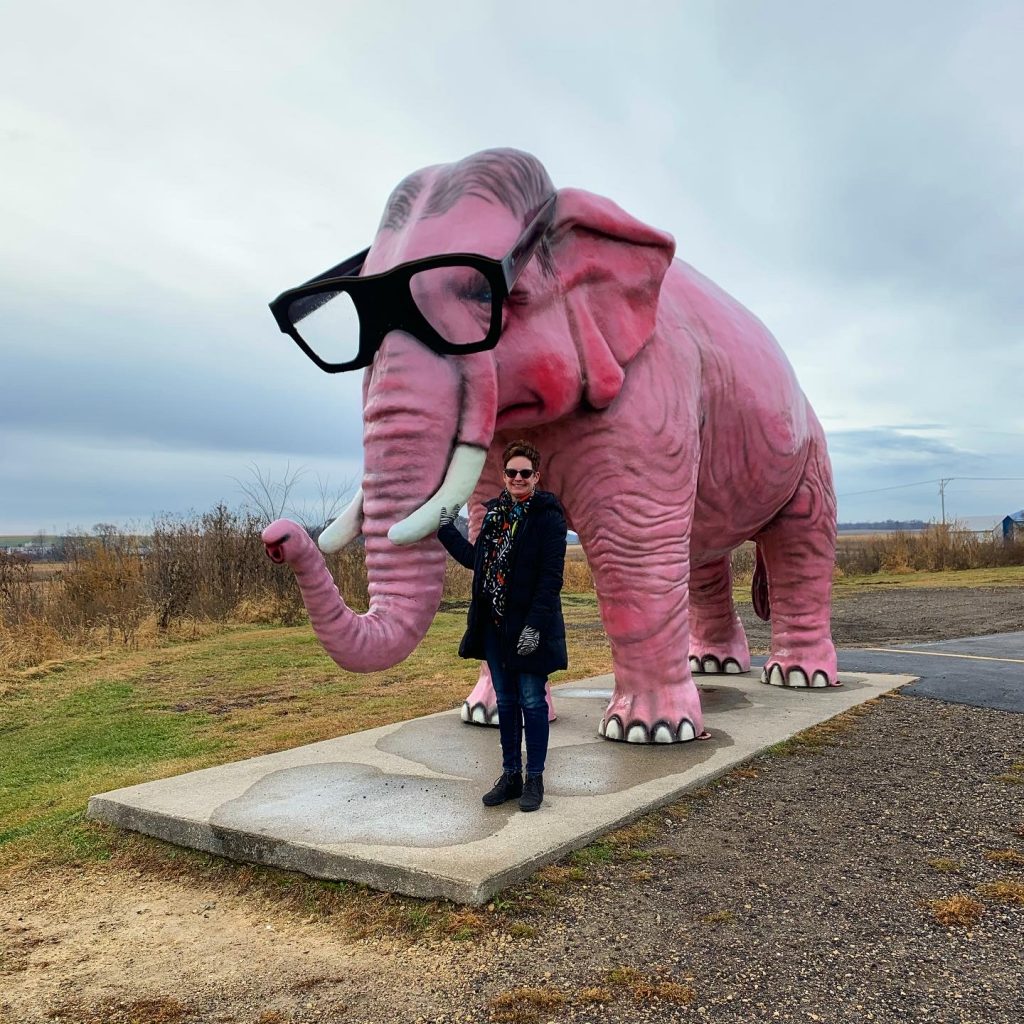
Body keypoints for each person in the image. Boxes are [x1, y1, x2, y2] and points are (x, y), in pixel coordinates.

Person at [438, 440, 567, 812]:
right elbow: (475, 561)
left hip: (529, 628)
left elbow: (550, 580)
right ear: (504, 475)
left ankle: (534, 779)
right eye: (512, 472)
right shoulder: (494, 516)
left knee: (532, 700)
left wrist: (535, 628)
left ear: (536, 476)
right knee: (507, 703)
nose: (518, 478)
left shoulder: (549, 518)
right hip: (495, 627)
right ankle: (510, 776)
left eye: (525, 472)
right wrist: (447, 530)